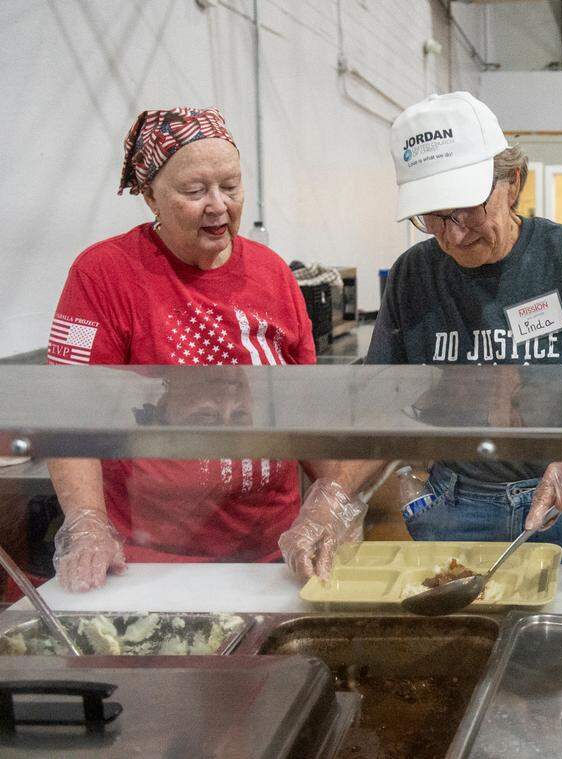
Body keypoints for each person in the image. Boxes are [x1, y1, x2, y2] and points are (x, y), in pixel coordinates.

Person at [279, 91, 562, 577]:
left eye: (466, 208)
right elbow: (381, 409)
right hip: (458, 511)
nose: (454, 234)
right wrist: (333, 495)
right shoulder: (413, 275)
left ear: (511, 182)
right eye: (433, 217)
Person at [48, 108, 371, 591]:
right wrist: (88, 522)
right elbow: (70, 413)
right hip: (148, 561)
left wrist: (333, 496)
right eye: (195, 191)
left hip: (272, 556)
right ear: (150, 194)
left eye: (231, 186)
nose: (218, 205)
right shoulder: (104, 275)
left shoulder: (273, 274)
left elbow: (306, 409)